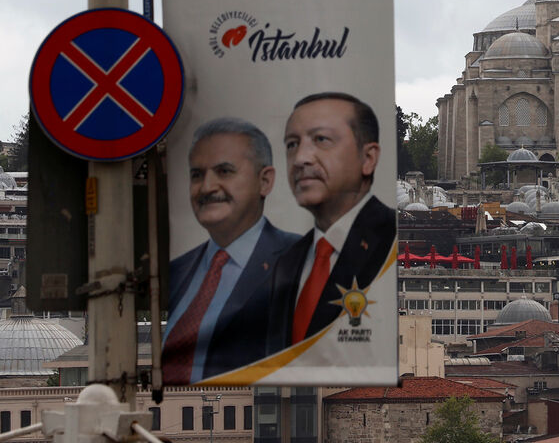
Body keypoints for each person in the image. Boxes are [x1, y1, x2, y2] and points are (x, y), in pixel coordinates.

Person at [164, 117, 300, 385]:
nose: (207, 187)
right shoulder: (176, 271)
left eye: (224, 171)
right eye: (197, 174)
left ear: (265, 181)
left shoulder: (304, 262)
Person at [267, 92, 397, 351]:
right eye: (292, 144)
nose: (301, 158)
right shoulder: (286, 261)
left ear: (368, 158)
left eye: (321, 140)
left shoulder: (393, 239)